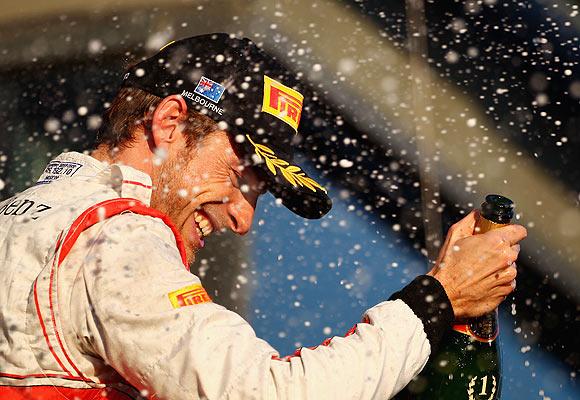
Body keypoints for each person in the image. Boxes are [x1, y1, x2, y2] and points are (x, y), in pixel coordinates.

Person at [0, 33, 526, 400]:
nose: (244, 219)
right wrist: (436, 299)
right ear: (168, 125)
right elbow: (265, 393)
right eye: (239, 175)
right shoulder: (113, 237)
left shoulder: (25, 218)